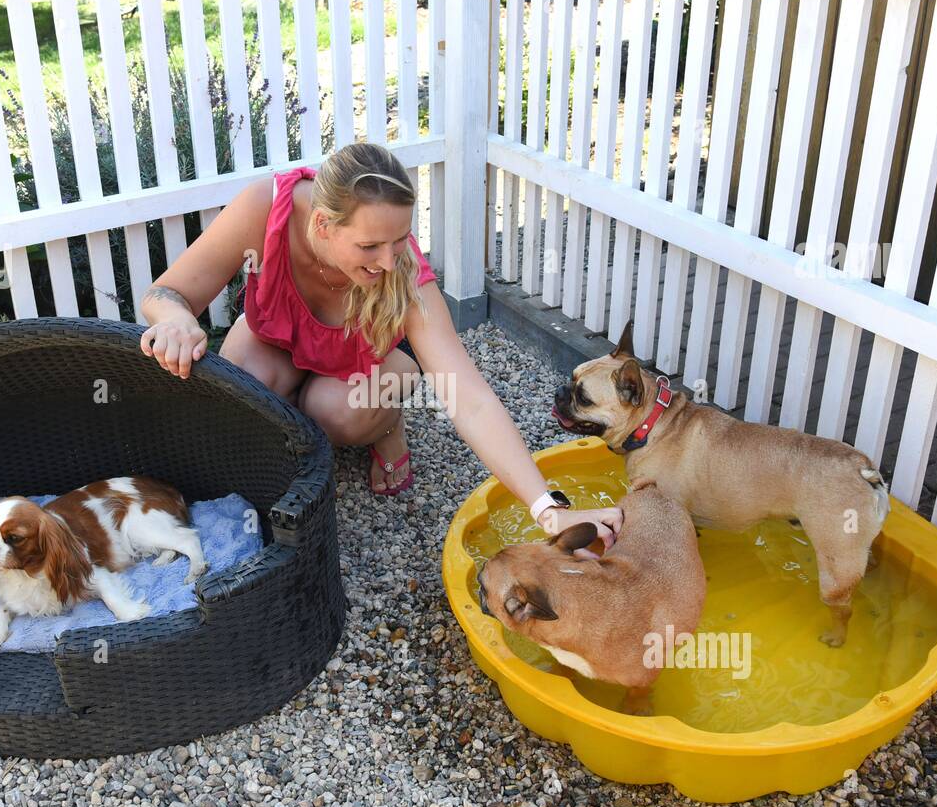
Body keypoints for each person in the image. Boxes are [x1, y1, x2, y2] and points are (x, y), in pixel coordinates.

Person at [139, 142, 622, 543]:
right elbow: (165, 293)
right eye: (369, 247)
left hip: (365, 360)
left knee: (333, 413)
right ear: (322, 225)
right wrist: (177, 318)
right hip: (278, 339)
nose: (389, 262)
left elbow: (468, 398)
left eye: (401, 240)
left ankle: (386, 426)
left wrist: (548, 508)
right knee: (243, 392)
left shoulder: (401, 268)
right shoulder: (264, 210)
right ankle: (297, 405)